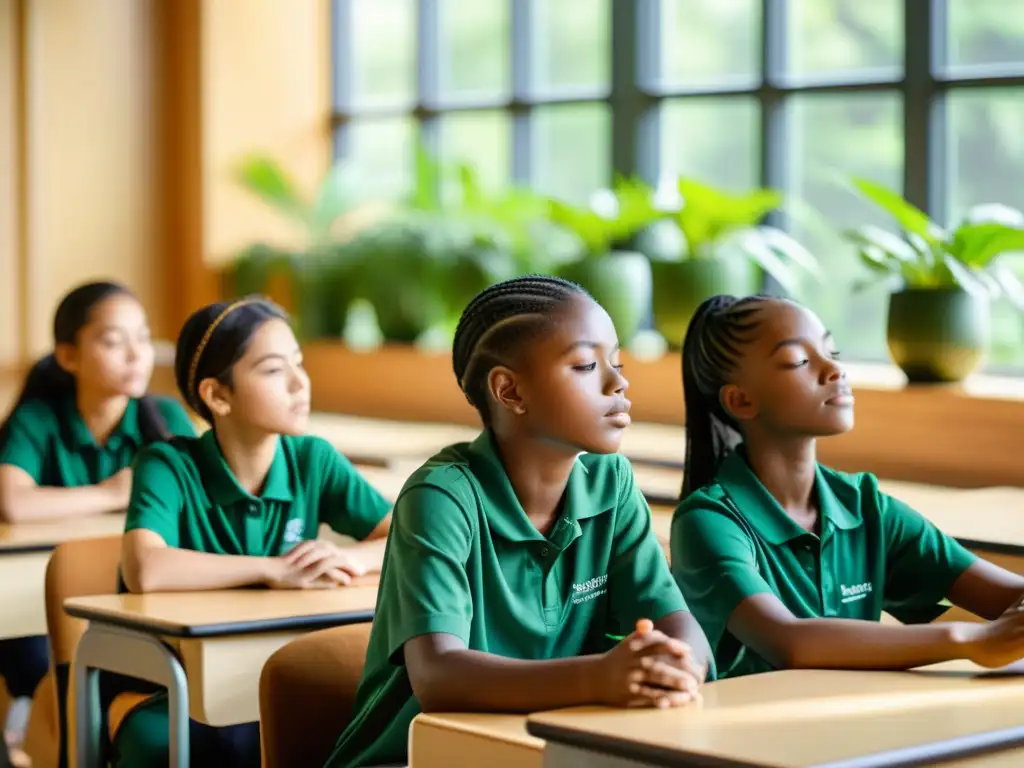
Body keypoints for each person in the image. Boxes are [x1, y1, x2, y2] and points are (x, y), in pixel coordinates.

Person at [324, 275, 712, 768]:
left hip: (551, 751)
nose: (618, 383)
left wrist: (680, 666)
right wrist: (600, 678)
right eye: (587, 365)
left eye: (616, 362)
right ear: (509, 390)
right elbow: (438, 676)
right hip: (413, 758)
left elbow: (675, 620)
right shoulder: (441, 497)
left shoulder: (609, 482)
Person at [671, 294, 1024, 681]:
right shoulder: (707, 522)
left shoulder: (867, 509)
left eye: (832, 351)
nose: (835, 369)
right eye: (799, 361)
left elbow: (1007, 595)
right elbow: (788, 641)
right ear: (741, 400)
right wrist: (970, 641)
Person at [113, 297, 393, 768]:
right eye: (272, 371)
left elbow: (411, 538)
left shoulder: (312, 459)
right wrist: (274, 569)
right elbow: (146, 568)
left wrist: (353, 558)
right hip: (175, 685)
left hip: (280, 681)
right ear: (217, 396)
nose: (300, 384)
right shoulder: (167, 464)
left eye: (299, 364)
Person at [0, 281, 195, 764]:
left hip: (133, 591)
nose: (136, 354)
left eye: (143, 338)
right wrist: (110, 494)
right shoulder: (38, 418)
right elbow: (13, 503)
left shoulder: (165, 416)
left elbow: (196, 501)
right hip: (36, 590)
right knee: (29, 650)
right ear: (68, 356)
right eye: (113, 341)